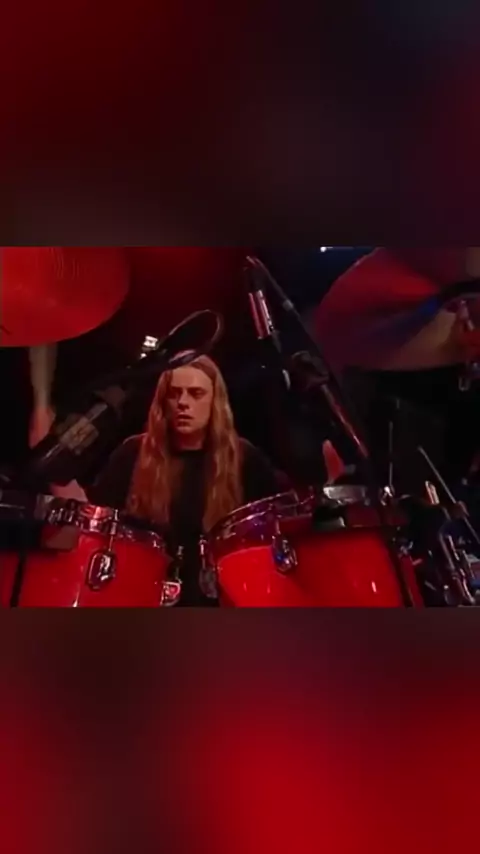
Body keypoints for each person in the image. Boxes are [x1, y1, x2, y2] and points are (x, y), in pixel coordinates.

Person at [85, 355, 288, 606]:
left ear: (215, 401)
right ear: (163, 401)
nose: (183, 403)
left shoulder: (244, 458)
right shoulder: (133, 453)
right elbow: (99, 526)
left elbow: (271, 533)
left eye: (196, 394)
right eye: (174, 394)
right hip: (142, 597)